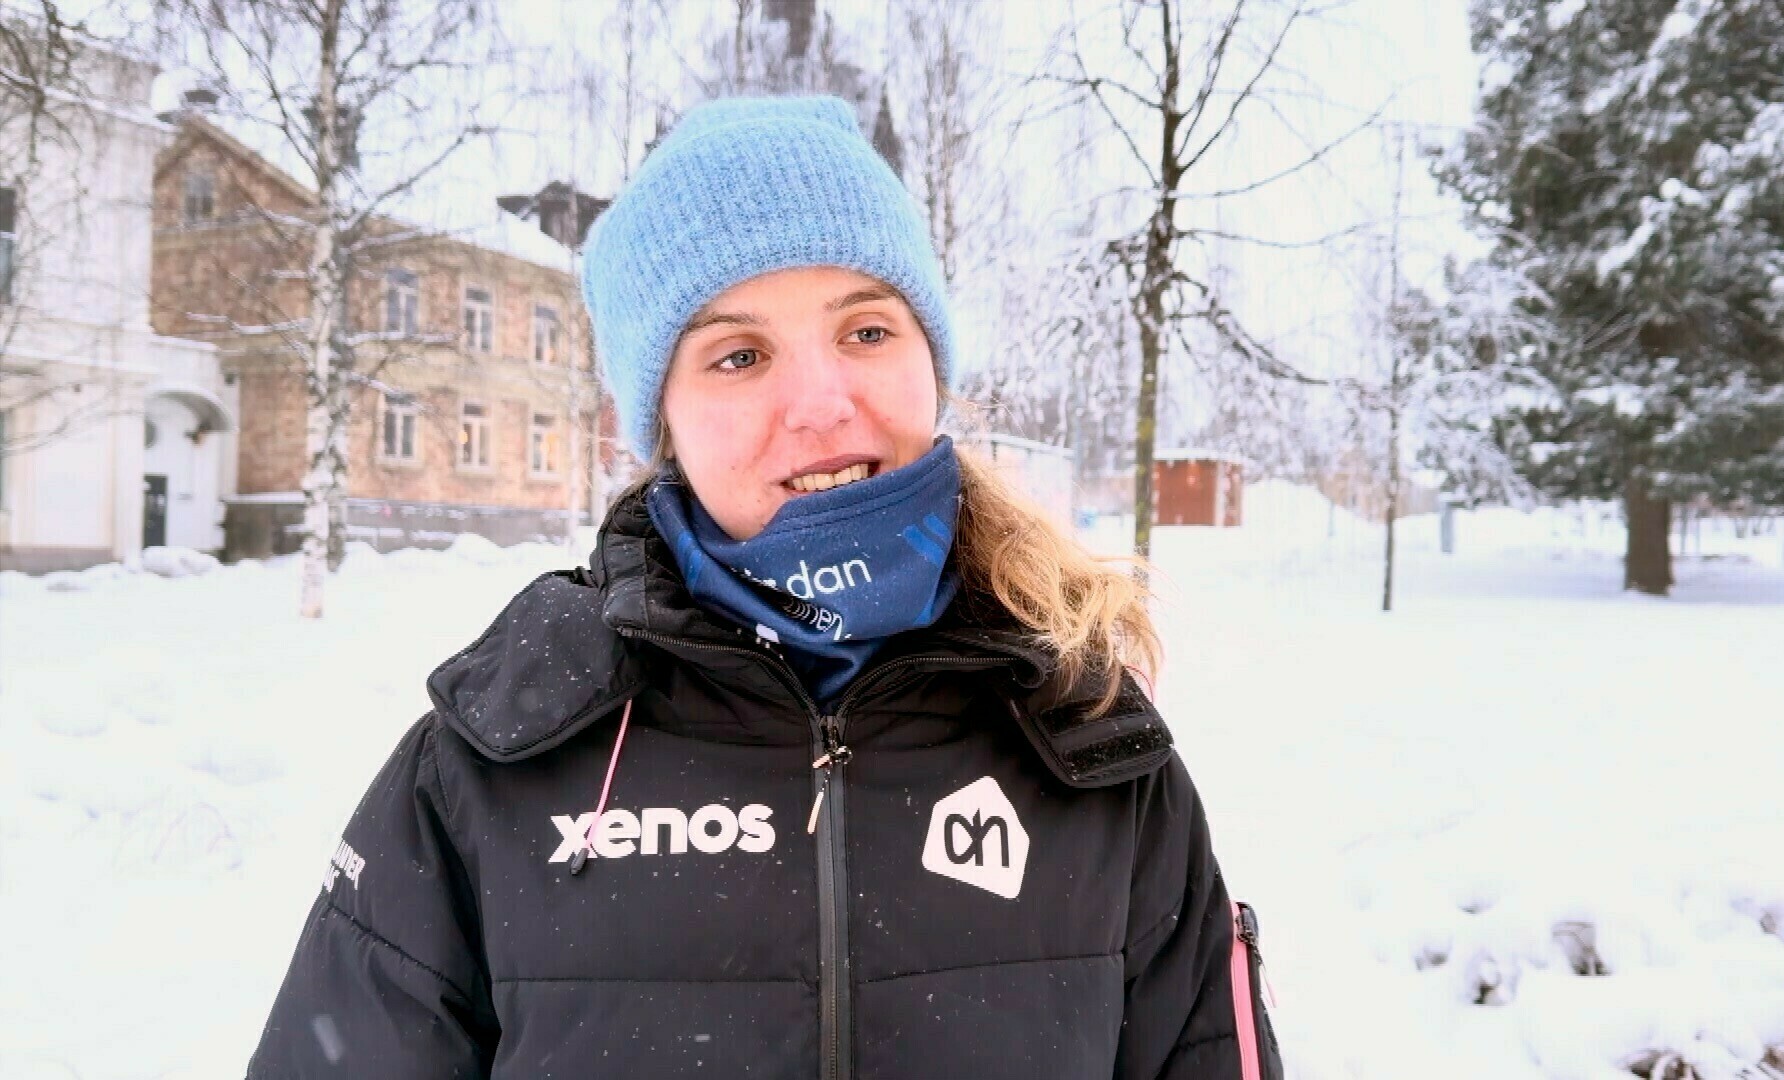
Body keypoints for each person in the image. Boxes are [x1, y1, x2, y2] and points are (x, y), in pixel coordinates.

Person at [247, 95, 1283, 1080]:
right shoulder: (496, 757)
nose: (821, 403)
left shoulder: (1089, 741)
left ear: (931, 360)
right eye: (739, 356)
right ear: (661, 421)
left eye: (866, 331)